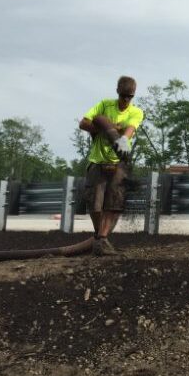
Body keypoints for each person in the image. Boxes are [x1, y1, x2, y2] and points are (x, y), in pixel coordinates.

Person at [79, 76, 144, 255]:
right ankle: (100, 237)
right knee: (95, 204)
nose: (126, 100)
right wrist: (108, 128)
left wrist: (122, 139)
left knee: (114, 203)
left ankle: (101, 240)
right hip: (97, 160)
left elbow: (131, 129)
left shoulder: (136, 112)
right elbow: (84, 123)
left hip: (119, 162)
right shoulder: (104, 105)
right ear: (117, 91)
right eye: (123, 95)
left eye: (130, 97)